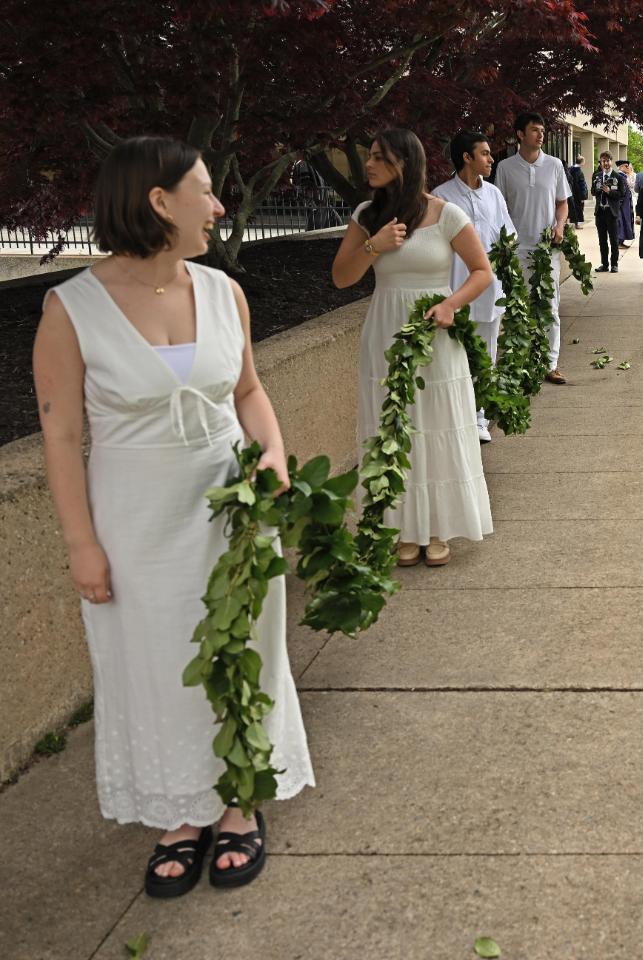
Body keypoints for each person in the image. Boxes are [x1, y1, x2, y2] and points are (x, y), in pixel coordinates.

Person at [33, 136, 313, 897]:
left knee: (243, 647)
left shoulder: (225, 292)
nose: (220, 205)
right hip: (136, 522)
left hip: (232, 512)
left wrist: (275, 454)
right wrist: (80, 543)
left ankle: (237, 800)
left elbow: (248, 392)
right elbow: (59, 436)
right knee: (153, 663)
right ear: (159, 202)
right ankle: (177, 813)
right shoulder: (71, 308)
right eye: (205, 190)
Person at [332, 129, 495, 567]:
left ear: (405, 163)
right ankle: (403, 526)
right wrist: (373, 245)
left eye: (380, 158)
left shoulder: (446, 214)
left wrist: (451, 305)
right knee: (393, 424)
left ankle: (436, 526)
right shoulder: (367, 214)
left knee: (436, 423)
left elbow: (482, 271)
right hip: (385, 329)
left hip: (434, 333)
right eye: (370, 156)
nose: (368, 165)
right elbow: (341, 277)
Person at [433, 130, 517, 443]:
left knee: (485, 356)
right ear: (466, 157)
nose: (491, 158)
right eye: (484, 153)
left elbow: (509, 234)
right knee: (453, 358)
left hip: (489, 290)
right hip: (453, 291)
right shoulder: (441, 196)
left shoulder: (494, 194)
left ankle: (479, 418)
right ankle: (455, 417)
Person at [493, 112, 571, 384]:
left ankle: (551, 363)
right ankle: (521, 361)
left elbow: (562, 203)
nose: (541, 135)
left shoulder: (554, 165)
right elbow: (498, 207)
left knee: (549, 305)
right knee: (517, 306)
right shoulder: (504, 168)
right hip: (516, 249)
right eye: (535, 130)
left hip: (546, 249)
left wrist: (559, 226)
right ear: (519, 135)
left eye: (542, 130)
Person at [591, 151, 629, 273]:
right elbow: (592, 191)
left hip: (611, 212)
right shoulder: (596, 175)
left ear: (611, 161)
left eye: (607, 161)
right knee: (602, 241)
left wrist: (609, 192)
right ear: (600, 162)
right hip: (600, 212)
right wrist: (598, 189)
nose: (606, 163)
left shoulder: (618, 177)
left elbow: (622, 194)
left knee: (613, 240)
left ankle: (614, 264)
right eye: (603, 161)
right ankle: (604, 264)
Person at [616, 159, 636, 248]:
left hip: (625, 204)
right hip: (622, 205)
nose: (628, 168)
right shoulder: (620, 177)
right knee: (621, 222)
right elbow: (621, 193)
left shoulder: (623, 176)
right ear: (621, 167)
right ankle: (619, 242)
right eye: (626, 166)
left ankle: (621, 241)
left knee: (625, 222)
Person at [566, 153, 588, 228]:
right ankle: (577, 224)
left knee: (571, 208)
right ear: (582, 162)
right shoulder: (579, 172)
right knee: (578, 209)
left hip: (570, 192)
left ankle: (568, 223)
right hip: (577, 194)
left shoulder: (570, 169)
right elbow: (581, 185)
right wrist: (583, 196)